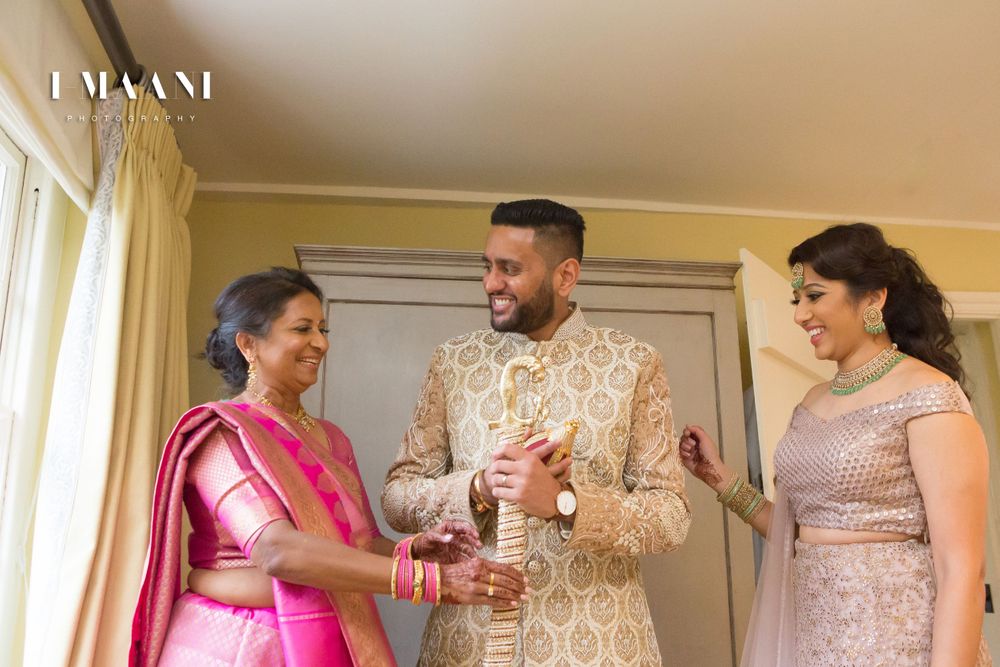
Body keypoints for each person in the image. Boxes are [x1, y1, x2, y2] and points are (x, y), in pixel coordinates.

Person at [130, 268, 526, 666]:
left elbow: (360, 542)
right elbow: (278, 551)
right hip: (238, 643)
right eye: (302, 329)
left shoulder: (331, 438)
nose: (320, 343)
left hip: (333, 636)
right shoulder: (223, 434)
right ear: (249, 344)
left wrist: (413, 552)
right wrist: (431, 582)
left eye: (322, 329)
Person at [381, 199, 691, 666]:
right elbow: (396, 499)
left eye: (509, 269)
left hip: (599, 643)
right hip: (467, 644)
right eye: (487, 266)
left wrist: (566, 504)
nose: (491, 283)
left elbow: (671, 518)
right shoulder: (454, 362)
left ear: (565, 276)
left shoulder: (632, 363)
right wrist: (478, 489)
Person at [680, 224, 992, 666]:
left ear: (873, 298)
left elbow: (961, 568)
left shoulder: (928, 395)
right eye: (797, 300)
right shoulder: (812, 403)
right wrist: (719, 478)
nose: (800, 315)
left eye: (814, 296)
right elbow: (798, 533)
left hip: (900, 644)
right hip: (818, 644)